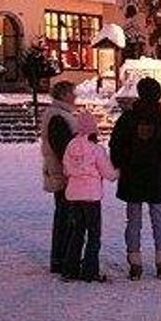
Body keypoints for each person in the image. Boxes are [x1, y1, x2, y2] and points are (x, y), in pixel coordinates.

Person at [109, 77, 161, 280]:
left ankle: (135, 260)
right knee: (158, 218)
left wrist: (123, 164)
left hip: (132, 176)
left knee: (133, 219)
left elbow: (116, 145)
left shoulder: (127, 119)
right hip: (155, 175)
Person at [38, 81, 89, 277]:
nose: (75, 96)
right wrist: (75, 170)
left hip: (64, 173)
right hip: (65, 175)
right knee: (66, 217)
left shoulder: (61, 114)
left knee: (66, 216)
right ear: (64, 95)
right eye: (72, 93)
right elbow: (63, 150)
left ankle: (62, 257)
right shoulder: (58, 117)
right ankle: (62, 259)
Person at [61, 118, 117, 282]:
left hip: (73, 195)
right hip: (91, 197)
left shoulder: (70, 147)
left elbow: (66, 169)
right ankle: (90, 270)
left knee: (76, 232)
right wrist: (118, 173)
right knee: (93, 234)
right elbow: (108, 173)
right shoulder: (96, 149)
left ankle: (70, 269)